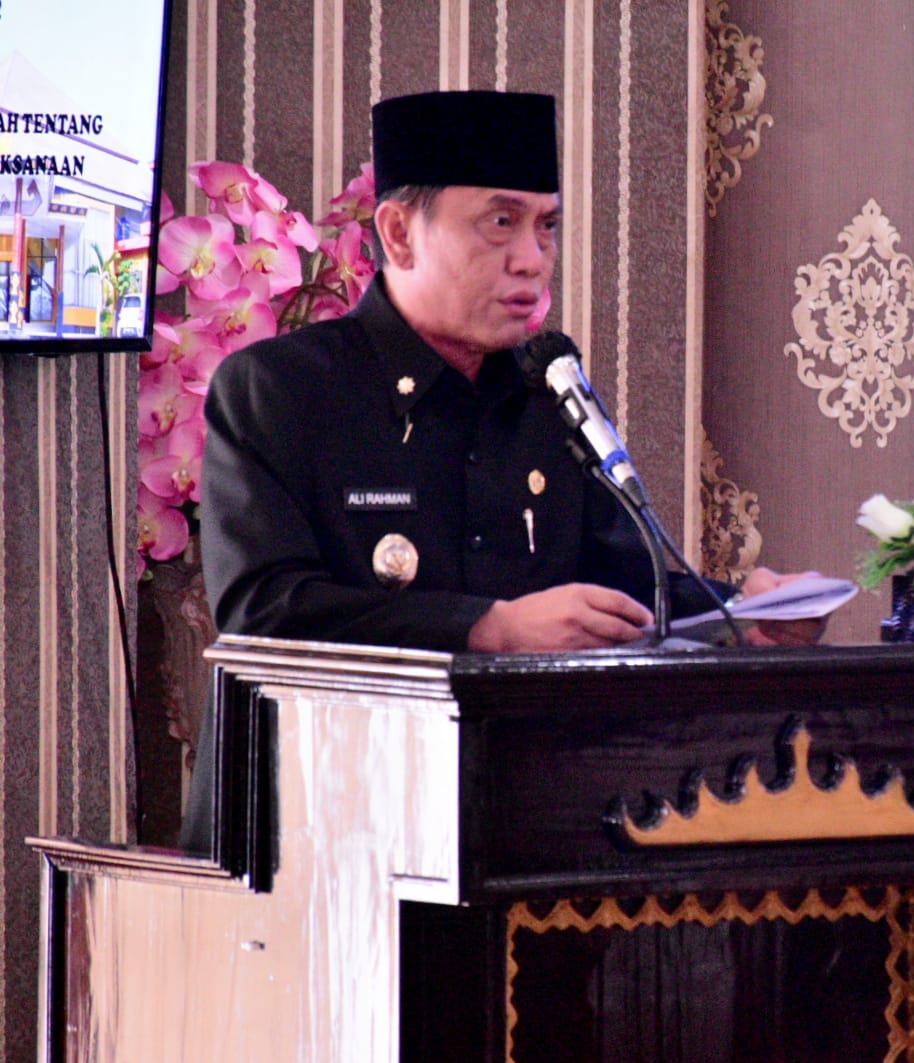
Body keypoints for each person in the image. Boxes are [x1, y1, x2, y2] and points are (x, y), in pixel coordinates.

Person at [182, 90, 820, 850]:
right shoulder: (279, 388)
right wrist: (486, 629)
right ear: (399, 233)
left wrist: (739, 615)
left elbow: (624, 588)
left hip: (509, 822)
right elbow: (264, 612)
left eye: (545, 226)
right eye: (500, 222)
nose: (532, 258)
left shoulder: (547, 390)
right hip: (319, 826)